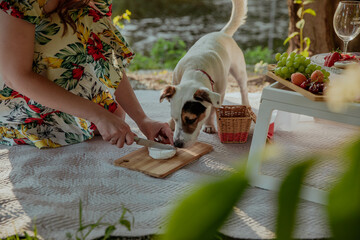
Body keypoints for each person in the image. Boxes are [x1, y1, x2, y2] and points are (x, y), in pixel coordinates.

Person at [0, 0, 173, 148]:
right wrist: (96, 115)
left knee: (115, 118)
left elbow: (105, 56)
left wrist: (142, 120)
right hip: (23, 102)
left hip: (72, 90)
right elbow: (16, 76)